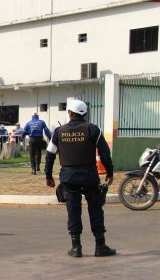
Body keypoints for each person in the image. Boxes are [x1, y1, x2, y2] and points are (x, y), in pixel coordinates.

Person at [44, 100, 116, 258]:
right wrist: (109, 173)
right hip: (89, 176)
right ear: (85, 114)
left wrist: (48, 176)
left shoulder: (58, 132)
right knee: (95, 208)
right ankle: (100, 246)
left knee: (73, 211)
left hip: (68, 177)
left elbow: (49, 156)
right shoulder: (93, 129)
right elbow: (104, 154)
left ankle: (76, 247)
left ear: (69, 113)